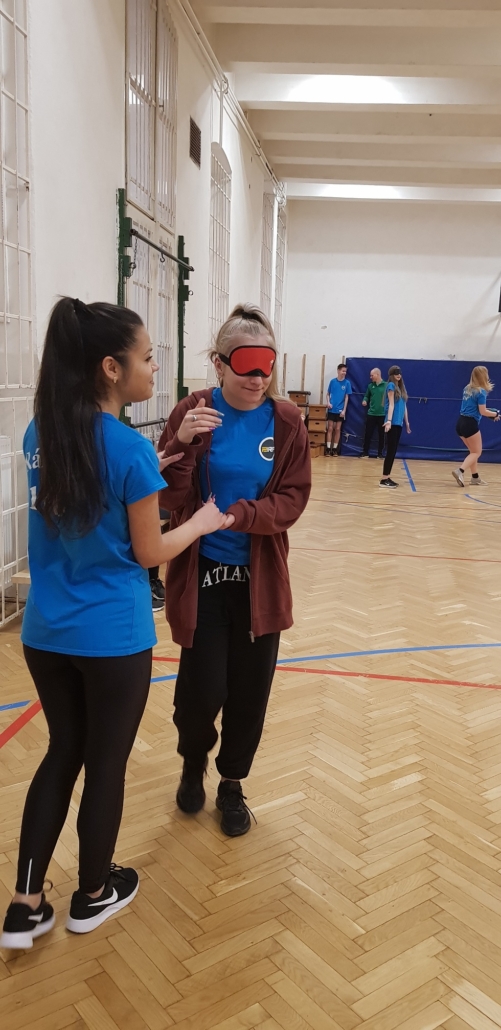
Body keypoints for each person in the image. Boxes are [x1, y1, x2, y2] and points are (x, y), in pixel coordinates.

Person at [0, 297, 230, 951]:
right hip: (111, 639)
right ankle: (93, 894)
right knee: (105, 763)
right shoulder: (125, 449)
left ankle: (25, 904)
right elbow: (150, 551)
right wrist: (201, 521)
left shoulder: (41, 433)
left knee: (61, 751)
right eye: (147, 357)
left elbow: (91, 484)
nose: (155, 367)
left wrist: (158, 460)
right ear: (110, 367)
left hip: (46, 633)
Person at [158, 303, 311, 838]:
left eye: (266, 365)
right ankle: (192, 759)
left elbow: (292, 499)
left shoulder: (287, 422)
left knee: (250, 691)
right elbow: (168, 496)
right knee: (199, 693)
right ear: (219, 363)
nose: (257, 377)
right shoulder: (194, 410)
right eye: (245, 365)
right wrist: (182, 444)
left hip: (259, 581)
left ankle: (231, 782)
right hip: (201, 576)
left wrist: (242, 515)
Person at [453, 366, 500, 487]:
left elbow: (477, 409)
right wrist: (495, 414)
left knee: (472, 452)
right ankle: (460, 471)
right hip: (470, 424)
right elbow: (483, 411)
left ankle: (475, 478)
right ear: (483, 376)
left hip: (460, 423)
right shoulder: (481, 392)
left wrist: (491, 413)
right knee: (477, 452)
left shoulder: (467, 388)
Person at [379, 365, 411, 488]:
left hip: (399, 423)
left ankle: (387, 476)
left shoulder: (401, 388)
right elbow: (391, 404)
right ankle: (384, 479)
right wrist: (389, 421)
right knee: (390, 451)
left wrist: (407, 423)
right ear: (392, 375)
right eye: (396, 373)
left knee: (393, 452)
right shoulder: (391, 386)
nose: (399, 375)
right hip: (392, 423)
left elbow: (404, 407)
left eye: (400, 373)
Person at [359, 368, 386, 458]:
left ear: (377, 375)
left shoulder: (386, 385)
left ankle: (380, 453)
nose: (370, 377)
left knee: (381, 435)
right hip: (371, 414)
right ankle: (365, 452)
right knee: (368, 434)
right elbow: (367, 396)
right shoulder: (370, 386)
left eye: (372, 375)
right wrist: (365, 400)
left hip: (382, 414)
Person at [325, 363, 352, 455]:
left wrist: (344, 410)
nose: (344, 373)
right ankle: (328, 448)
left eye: (345, 371)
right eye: (343, 371)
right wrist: (328, 402)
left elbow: (347, 397)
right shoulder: (333, 381)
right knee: (330, 428)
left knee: (337, 429)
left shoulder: (347, 383)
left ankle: (335, 449)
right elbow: (328, 394)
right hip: (332, 409)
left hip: (340, 410)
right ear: (338, 371)